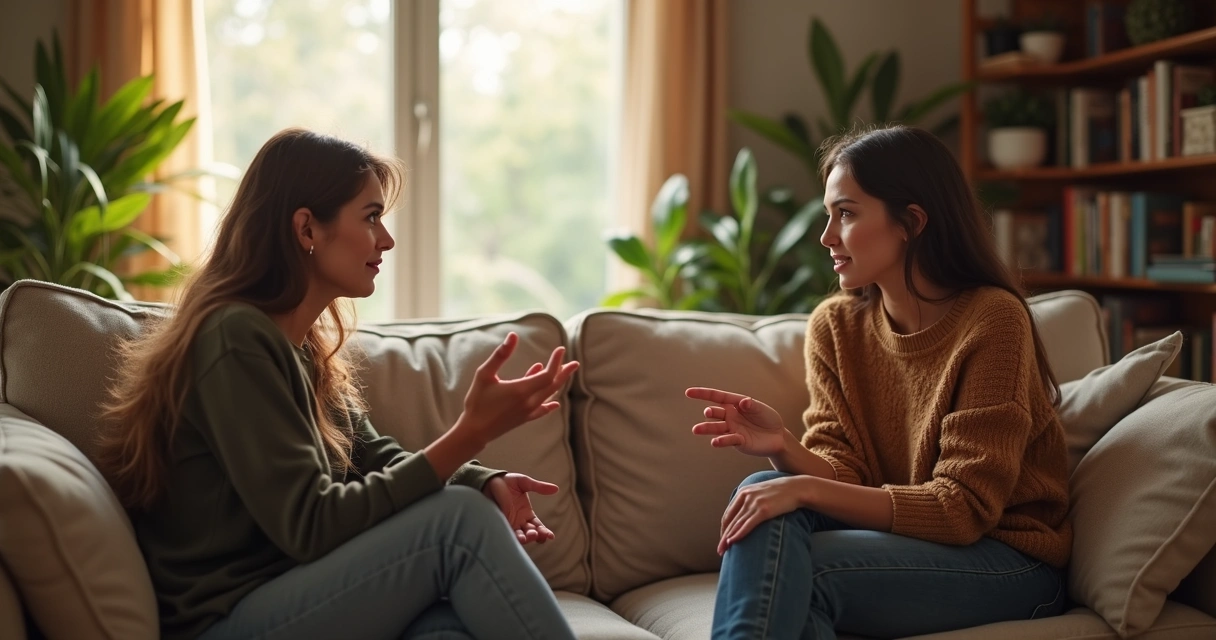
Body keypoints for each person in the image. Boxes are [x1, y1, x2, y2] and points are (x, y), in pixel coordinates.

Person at [97, 128, 579, 640]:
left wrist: (481, 478)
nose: (386, 239)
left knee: (449, 630)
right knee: (458, 525)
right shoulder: (234, 339)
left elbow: (373, 455)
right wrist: (470, 433)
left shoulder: (301, 347)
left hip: (297, 596)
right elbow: (310, 524)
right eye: (371, 217)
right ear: (307, 228)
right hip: (229, 619)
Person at [687, 125, 1071, 640]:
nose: (826, 236)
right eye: (829, 215)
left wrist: (801, 488)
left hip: (1010, 561)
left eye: (845, 213)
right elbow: (846, 473)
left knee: (801, 570)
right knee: (765, 488)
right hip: (913, 544)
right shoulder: (835, 327)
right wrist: (783, 449)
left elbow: (962, 509)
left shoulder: (993, 320)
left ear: (911, 222)